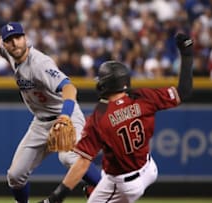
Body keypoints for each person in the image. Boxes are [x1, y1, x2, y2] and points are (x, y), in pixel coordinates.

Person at [39, 33, 194, 203]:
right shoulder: (143, 96)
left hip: (122, 184)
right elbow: (184, 91)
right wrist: (186, 54)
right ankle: (95, 190)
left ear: (104, 84)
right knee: (100, 180)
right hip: (149, 169)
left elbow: (83, 163)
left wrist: (56, 197)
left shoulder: (99, 117)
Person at [0, 22, 101, 203]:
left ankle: (104, 187)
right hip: (41, 123)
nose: (15, 43)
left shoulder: (39, 64)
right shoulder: (10, 52)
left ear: (25, 38)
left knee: (69, 157)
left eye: (18, 38)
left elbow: (69, 88)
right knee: (15, 175)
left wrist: (65, 116)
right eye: (10, 40)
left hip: (65, 115)